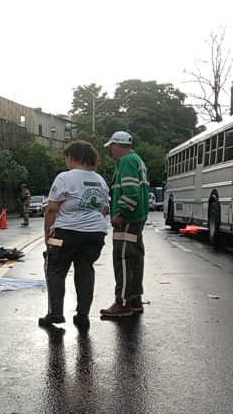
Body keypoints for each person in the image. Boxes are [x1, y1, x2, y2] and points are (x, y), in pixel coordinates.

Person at [39, 141, 109, 328]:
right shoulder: (100, 180)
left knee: (54, 267)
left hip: (66, 233)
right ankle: (82, 315)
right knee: (85, 270)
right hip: (95, 233)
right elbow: (104, 209)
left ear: (71, 157)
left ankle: (55, 313)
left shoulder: (65, 177)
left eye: (66, 158)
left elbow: (52, 209)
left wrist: (47, 232)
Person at [100, 131, 150, 318]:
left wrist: (120, 213)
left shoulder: (126, 161)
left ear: (117, 145)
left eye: (111, 147)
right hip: (138, 218)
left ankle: (123, 302)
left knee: (123, 258)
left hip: (128, 219)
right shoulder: (138, 160)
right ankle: (135, 299)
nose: (111, 151)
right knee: (136, 258)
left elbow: (131, 193)